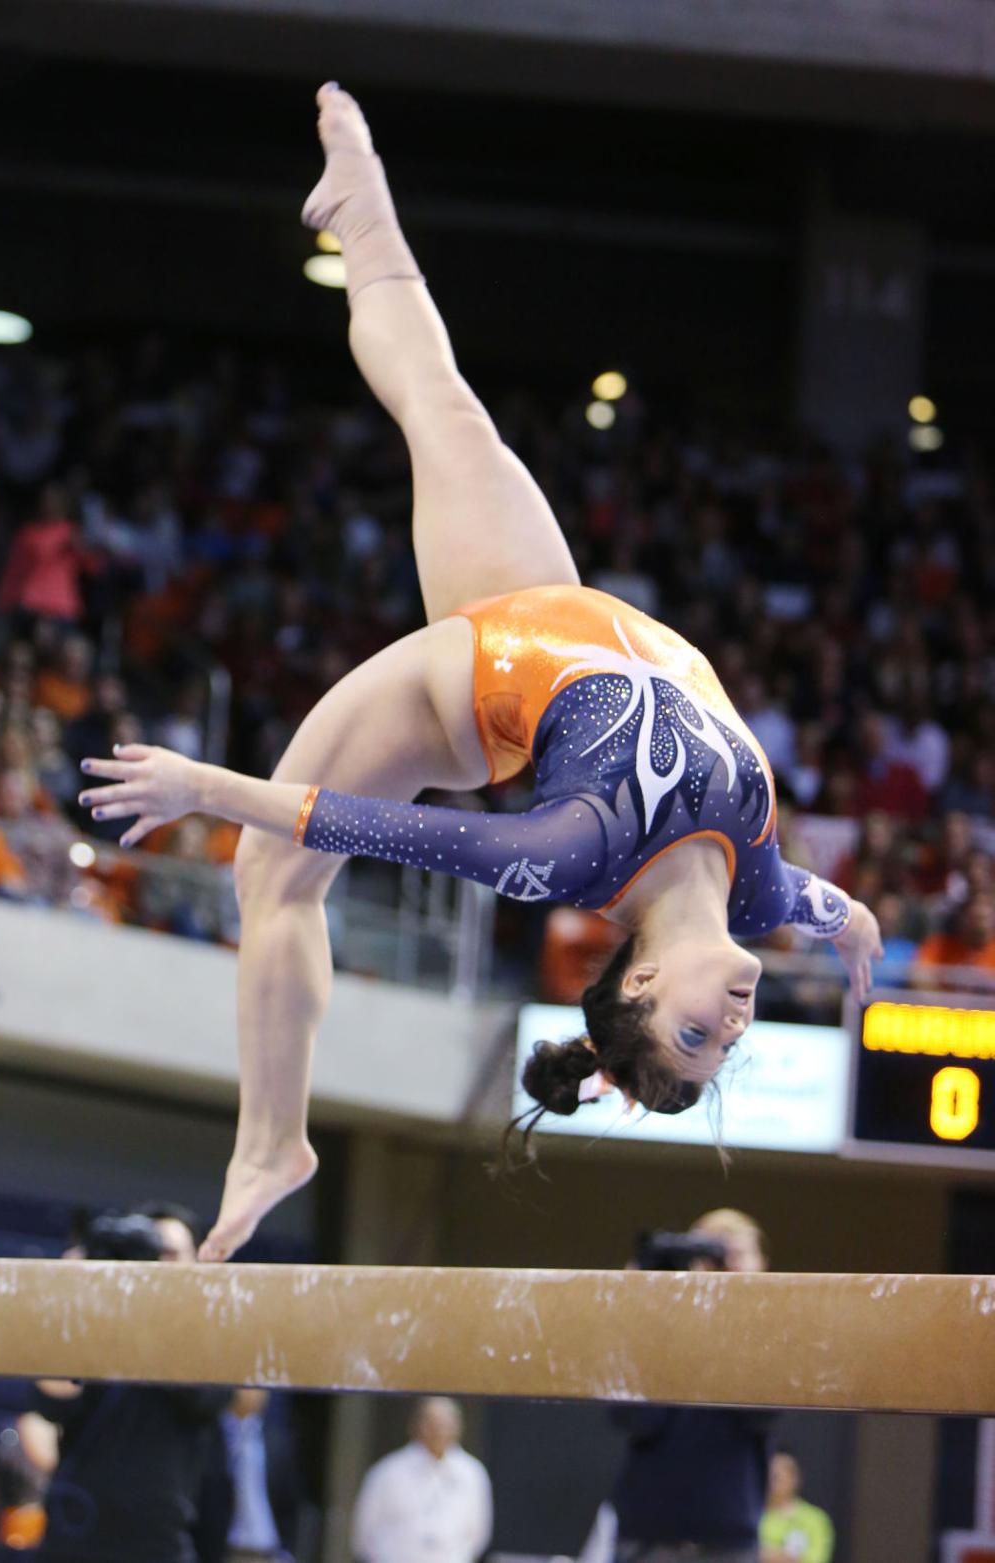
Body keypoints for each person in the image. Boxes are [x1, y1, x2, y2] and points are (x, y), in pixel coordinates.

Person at [78, 84, 883, 1263]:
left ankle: (270, 1144)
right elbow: (815, 903)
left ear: (648, 981)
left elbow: (359, 824)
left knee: (276, 873)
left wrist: (207, 785)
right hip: (547, 611)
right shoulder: (763, 894)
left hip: (463, 688)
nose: (735, 1030)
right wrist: (851, 917)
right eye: (727, 1050)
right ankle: (362, 211)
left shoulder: (574, 855)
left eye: (697, 1037)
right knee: (440, 401)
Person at [17, 1204, 231, 1563]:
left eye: (170, 1254)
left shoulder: (207, 1338)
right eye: (149, 1253)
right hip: (73, 1538)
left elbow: (207, 1398)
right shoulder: (93, 1327)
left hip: (158, 1544)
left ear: (197, 1263)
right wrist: (70, 1293)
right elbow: (48, 1402)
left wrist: (149, 1310)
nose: (159, 1265)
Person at [607, 1210, 776, 1563]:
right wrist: (640, 1302)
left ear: (762, 1263)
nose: (722, 1264)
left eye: (737, 1255)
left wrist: (735, 1305)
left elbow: (762, 1412)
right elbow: (632, 1419)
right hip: (650, 1530)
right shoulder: (658, 1325)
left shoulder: (769, 1332)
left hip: (727, 1534)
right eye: (711, 1254)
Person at [350, 1397, 492, 1563]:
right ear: (416, 1425)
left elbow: (478, 1534)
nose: (439, 1430)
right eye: (432, 1422)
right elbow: (363, 1532)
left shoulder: (472, 1472)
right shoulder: (388, 1471)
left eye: (445, 1423)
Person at [194, 1388, 303, 1563]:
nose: (252, 1393)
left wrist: (287, 1552)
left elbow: (290, 1504)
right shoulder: (208, 1437)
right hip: (224, 1552)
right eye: (246, 1386)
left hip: (268, 1552)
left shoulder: (277, 1440)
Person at [759, 1451, 834, 1563]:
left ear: (794, 1478)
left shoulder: (815, 1519)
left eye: (776, 1477)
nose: (770, 1482)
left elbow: (815, 1559)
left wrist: (768, 1555)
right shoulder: (752, 1516)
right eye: (766, 1476)